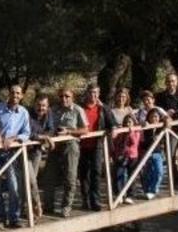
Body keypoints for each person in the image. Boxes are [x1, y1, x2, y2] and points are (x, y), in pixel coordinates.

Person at [42, 88, 88, 217]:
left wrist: (69, 132)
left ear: (72, 97)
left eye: (67, 96)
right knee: (49, 176)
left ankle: (66, 206)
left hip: (70, 145)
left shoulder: (77, 110)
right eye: (61, 96)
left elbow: (85, 130)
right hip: (54, 145)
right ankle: (48, 206)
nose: (64, 99)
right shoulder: (53, 110)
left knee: (70, 177)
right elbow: (46, 126)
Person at [0, 85, 31, 228]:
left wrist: (13, 138)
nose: (15, 95)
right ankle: (1, 218)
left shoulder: (24, 113)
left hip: (12, 153)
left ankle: (14, 218)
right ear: (9, 93)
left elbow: (26, 133)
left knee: (14, 185)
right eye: (13, 92)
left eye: (18, 93)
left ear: (22, 95)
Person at [78, 83, 117, 211]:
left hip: (97, 145)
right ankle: (85, 200)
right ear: (86, 93)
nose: (93, 95)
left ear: (98, 94)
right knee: (84, 174)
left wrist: (113, 129)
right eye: (91, 92)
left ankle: (95, 200)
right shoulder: (80, 108)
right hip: (82, 146)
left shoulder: (103, 108)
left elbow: (111, 122)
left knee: (96, 172)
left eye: (95, 92)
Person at [28, 94, 54, 218]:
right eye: (38, 105)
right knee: (31, 180)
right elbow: (28, 133)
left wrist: (45, 136)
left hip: (37, 151)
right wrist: (44, 137)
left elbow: (51, 129)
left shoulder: (48, 114)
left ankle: (29, 208)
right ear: (34, 104)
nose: (41, 108)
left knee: (32, 180)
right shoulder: (27, 114)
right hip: (25, 151)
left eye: (44, 105)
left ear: (47, 106)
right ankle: (37, 204)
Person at [112, 114, 141, 204]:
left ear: (133, 123)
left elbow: (134, 142)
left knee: (131, 176)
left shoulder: (136, 131)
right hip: (121, 156)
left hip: (132, 156)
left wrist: (131, 132)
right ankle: (119, 194)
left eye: (130, 122)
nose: (128, 124)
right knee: (118, 174)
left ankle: (130, 195)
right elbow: (115, 142)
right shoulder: (121, 131)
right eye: (126, 122)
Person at [141, 109, 166, 200]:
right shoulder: (146, 127)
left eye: (156, 116)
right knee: (147, 173)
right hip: (146, 152)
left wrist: (166, 121)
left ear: (159, 118)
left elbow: (168, 121)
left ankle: (153, 190)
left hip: (157, 153)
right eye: (151, 116)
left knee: (159, 171)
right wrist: (144, 124)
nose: (154, 118)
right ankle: (147, 190)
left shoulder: (161, 126)